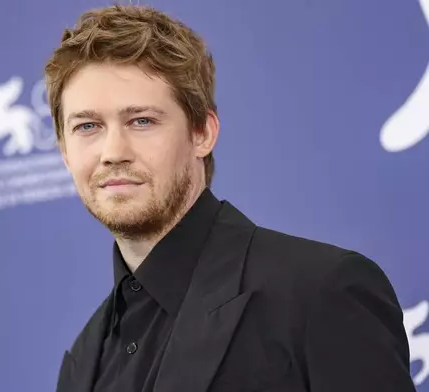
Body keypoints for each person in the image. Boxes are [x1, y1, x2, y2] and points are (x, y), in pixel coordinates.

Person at [44, 5, 415, 392]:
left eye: (142, 121)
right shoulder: (83, 360)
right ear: (65, 151)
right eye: (88, 126)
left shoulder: (321, 292)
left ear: (202, 132)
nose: (113, 151)